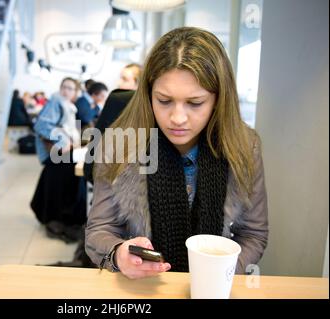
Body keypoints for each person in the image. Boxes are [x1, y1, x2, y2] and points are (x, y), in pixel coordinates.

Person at [85, 27, 268, 279]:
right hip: (141, 289)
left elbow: (254, 234)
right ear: (148, 94)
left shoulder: (245, 147)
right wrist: (118, 254)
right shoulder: (119, 144)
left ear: (218, 99)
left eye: (195, 103)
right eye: (164, 100)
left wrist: (220, 273)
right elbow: (99, 230)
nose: (177, 118)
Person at [31, 77, 86, 242]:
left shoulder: (69, 107)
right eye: (64, 87)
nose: (66, 91)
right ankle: (57, 218)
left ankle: (58, 217)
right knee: (63, 183)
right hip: (57, 154)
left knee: (61, 184)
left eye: (70, 88)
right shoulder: (56, 101)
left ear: (76, 92)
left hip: (63, 153)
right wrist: (65, 141)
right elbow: (42, 126)